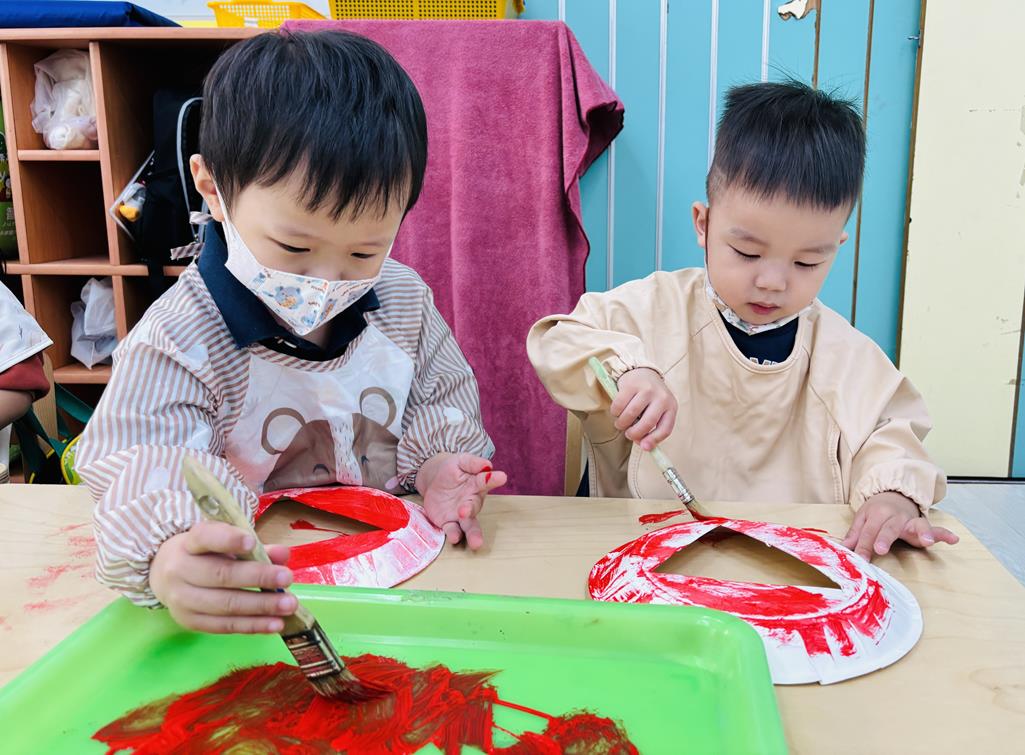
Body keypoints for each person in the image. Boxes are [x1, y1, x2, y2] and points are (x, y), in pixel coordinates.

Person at [78, 30, 505, 634]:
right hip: (253, 598)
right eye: (295, 248)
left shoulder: (402, 301)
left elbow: (440, 404)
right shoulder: (182, 338)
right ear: (213, 189)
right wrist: (171, 557)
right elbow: (145, 467)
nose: (327, 281)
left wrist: (436, 468)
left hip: (394, 588)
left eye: (364, 252)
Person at [528, 80, 957, 562]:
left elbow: (892, 433)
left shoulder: (844, 356)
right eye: (747, 252)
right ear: (704, 224)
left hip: (788, 567)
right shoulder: (651, 312)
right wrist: (628, 369)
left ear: (836, 247)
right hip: (643, 559)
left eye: (807, 262)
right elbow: (558, 340)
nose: (772, 282)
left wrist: (892, 495)